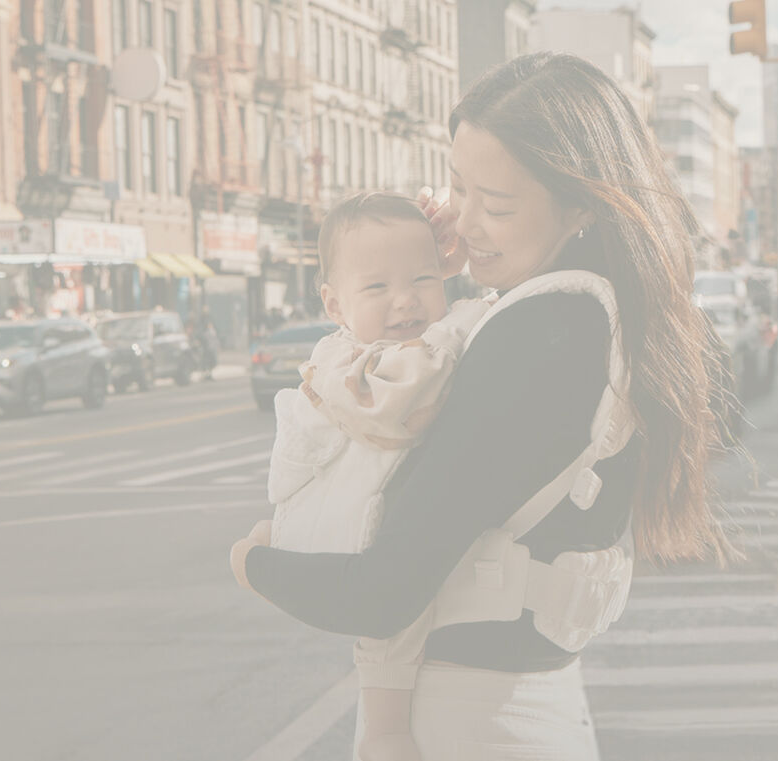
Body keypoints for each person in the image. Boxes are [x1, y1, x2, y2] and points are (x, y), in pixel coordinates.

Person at [231, 52, 730, 760]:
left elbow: (379, 593)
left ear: (582, 201)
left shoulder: (537, 334)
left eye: (495, 206)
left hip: (465, 722)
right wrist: (451, 269)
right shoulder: (604, 307)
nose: (463, 222)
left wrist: (254, 562)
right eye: (458, 189)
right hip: (533, 704)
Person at [263, 192, 490, 761]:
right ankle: (387, 732)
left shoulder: (384, 344)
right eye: (376, 288)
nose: (405, 301)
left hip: (373, 522)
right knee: (395, 627)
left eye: (423, 278)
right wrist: (459, 320)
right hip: (356, 539)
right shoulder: (350, 363)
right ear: (335, 304)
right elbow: (395, 407)